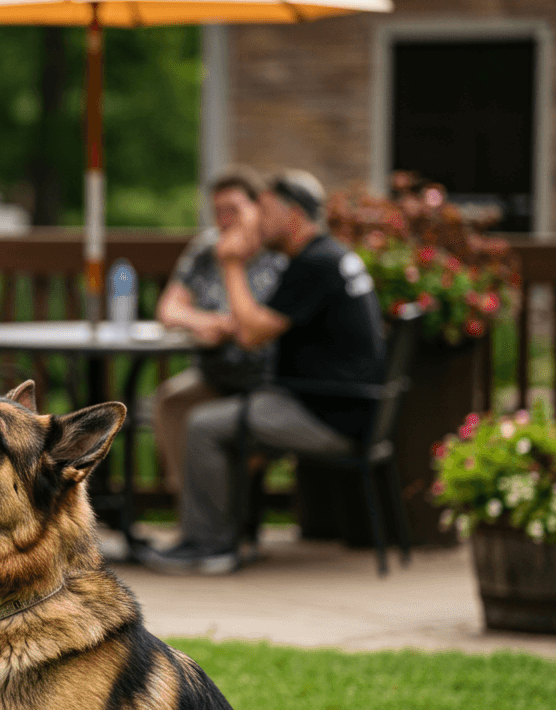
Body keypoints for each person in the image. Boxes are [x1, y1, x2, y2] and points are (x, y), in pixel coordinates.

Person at [142, 169, 385, 575]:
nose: (259, 221)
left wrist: (233, 264)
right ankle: (213, 533)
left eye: (266, 212)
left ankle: (211, 546)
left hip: (327, 412)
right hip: (334, 401)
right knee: (189, 408)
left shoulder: (313, 264)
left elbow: (253, 334)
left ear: (292, 217)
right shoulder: (326, 255)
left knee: (203, 426)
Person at [153, 167, 287, 495]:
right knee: (170, 402)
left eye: (235, 210)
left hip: (266, 380)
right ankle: (190, 514)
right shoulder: (206, 249)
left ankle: (224, 523)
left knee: (212, 428)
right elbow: (169, 308)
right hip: (215, 375)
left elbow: (262, 328)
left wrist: (238, 323)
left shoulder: (278, 254)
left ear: (258, 209)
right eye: (218, 212)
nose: (225, 220)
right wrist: (205, 322)